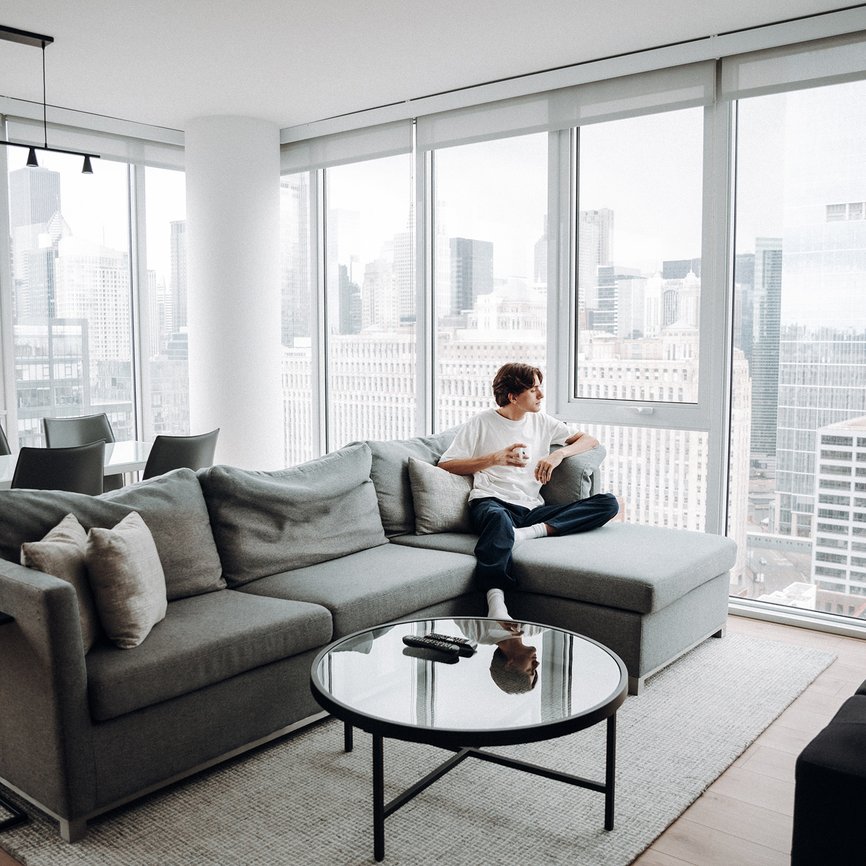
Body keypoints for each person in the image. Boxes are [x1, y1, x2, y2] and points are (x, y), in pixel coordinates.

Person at [438, 362, 620, 620]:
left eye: (540, 388)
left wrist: (558, 455)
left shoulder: (542, 422)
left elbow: (589, 440)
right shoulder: (481, 422)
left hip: (531, 510)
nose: (541, 395)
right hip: (492, 502)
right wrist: (494, 459)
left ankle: (525, 534)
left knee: (608, 503)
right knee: (497, 519)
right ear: (513, 396)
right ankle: (496, 601)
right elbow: (446, 463)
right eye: (534, 390)